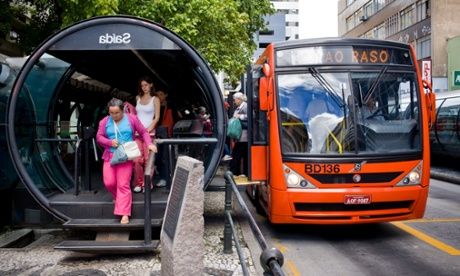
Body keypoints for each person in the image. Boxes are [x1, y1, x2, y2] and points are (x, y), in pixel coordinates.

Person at [96, 98, 157, 224]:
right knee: (109, 183)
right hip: (110, 156)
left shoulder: (131, 119)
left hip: (126, 155)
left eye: (116, 113)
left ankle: (124, 213)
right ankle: (120, 200)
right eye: (111, 113)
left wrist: (149, 144)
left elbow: (143, 132)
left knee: (123, 184)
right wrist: (109, 142)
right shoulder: (104, 122)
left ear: (122, 110)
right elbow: (99, 137)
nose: (114, 115)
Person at [132, 76, 161, 193]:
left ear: (151, 85)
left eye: (146, 85)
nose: (144, 87)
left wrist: (148, 129)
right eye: (142, 85)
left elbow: (157, 117)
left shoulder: (155, 99)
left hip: (150, 133)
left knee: (149, 159)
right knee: (136, 159)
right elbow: (135, 116)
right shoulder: (137, 98)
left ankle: (147, 184)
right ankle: (138, 183)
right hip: (137, 133)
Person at [154, 90, 176, 187]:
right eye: (157, 94)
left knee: (164, 157)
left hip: (168, 135)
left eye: (161, 94)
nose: (159, 96)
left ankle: (165, 177)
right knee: (158, 157)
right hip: (157, 134)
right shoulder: (153, 106)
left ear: (166, 95)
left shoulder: (171, 107)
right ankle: (164, 176)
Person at [229, 92, 248, 176]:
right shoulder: (239, 107)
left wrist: (240, 116)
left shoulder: (245, 106)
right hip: (240, 136)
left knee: (237, 154)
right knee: (242, 154)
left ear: (239, 99)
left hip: (244, 135)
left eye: (235, 99)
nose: (234, 101)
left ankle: (235, 171)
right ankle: (242, 172)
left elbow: (252, 115)